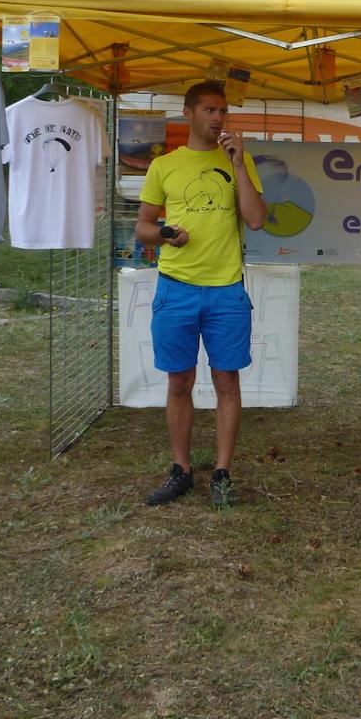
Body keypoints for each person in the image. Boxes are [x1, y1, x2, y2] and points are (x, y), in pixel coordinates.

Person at [135, 81, 267, 508]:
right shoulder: (164, 167)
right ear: (188, 112)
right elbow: (143, 227)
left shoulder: (238, 162)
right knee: (180, 381)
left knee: (227, 380)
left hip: (226, 290)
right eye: (209, 109)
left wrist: (241, 167)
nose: (217, 118)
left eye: (222, 111)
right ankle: (182, 469)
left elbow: (257, 219)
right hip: (176, 288)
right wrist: (165, 235)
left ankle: (223, 473)